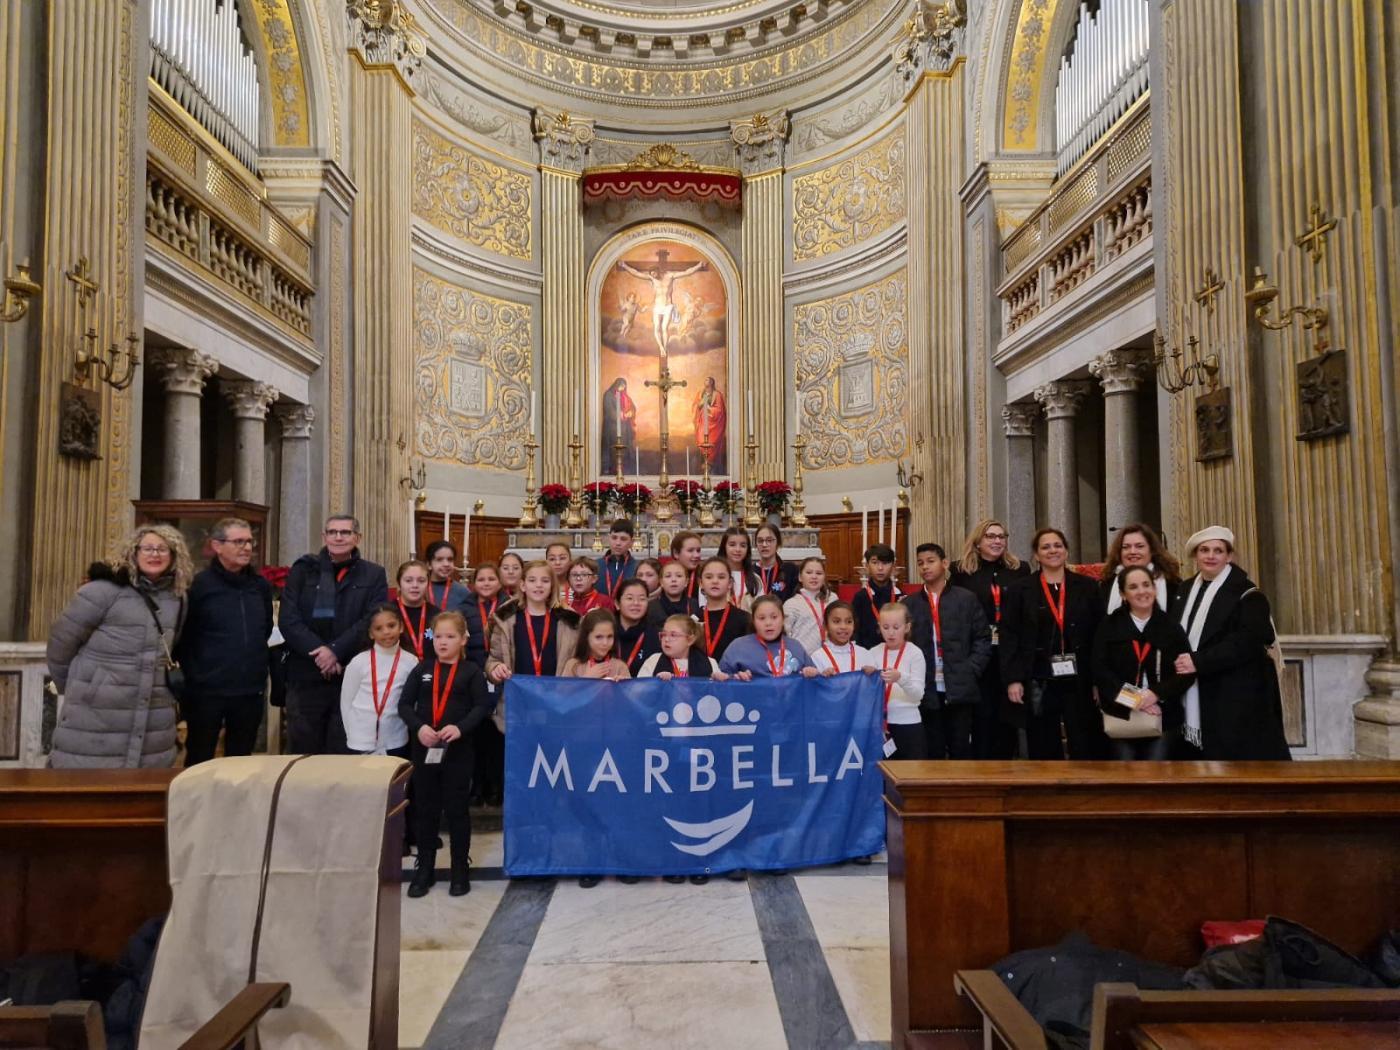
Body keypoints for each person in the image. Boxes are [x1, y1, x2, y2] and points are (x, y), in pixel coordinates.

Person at [48, 525, 193, 768]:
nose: (154, 554)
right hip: (96, 712)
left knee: (140, 795)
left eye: (162, 549)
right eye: (147, 548)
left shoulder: (178, 597)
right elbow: (61, 644)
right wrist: (82, 687)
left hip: (154, 711)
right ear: (134, 553)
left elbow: (172, 644)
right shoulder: (102, 591)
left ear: (174, 556)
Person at [1169, 526, 1291, 760]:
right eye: (1204, 550)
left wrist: (1199, 661)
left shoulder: (1247, 593)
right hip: (1194, 691)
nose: (1211, 556)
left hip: (1235, 697)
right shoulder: (1184, 590)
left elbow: (1248, 642)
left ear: (1229, 556)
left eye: (1218, 550)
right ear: (1195, 556)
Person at [400, 611, 494, 897]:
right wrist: (419, 727)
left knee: (456, 810)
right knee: (426, 809)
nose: (443, 642)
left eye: (450, 637)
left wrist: (460, 728)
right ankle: (424, 867)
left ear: (463, 639)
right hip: (425, 748)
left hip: (458, 751)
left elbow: (482, 707)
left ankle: (458, 869)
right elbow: (405, 705)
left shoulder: (471, 672)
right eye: (438, 636)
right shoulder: (422, 669)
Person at [278, 515, 388, 755]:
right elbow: (288, 619)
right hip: (306, 672)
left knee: (343, 748)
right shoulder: (303, 570)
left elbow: (372, 620)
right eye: (333, 532)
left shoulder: (373, 574)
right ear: (324, 536)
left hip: (349, 672)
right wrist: (321, 653)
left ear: (357, 538)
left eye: (345, 532)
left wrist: (336, 650)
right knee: (303, 748)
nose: (338, 537)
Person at [999, 528, 1102, 760]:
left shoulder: (1088, 587)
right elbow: (1010, 637)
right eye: (1045, 547)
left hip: (1080, 677)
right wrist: (1013, 679)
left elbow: (1098, 634)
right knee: (1042, 743)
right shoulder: (1020, 590)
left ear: (1066, 551)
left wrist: (1098, 680)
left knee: (1084, 740)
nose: (1052, 550)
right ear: (1036, 555)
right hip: (1038, 677)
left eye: (1058, 545)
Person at [178, 517, 273, 765]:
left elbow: (265, 629)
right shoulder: (199, 585)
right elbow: (184, 635)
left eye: (250, 542)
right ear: (217, 546)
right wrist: (197, 674)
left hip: (249, 689)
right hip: (206, 690)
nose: (247, 548)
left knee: (240, 761)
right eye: (238, 541)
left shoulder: (260, 586)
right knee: (200, 758)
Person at [1092, 566, 1194, 760]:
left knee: (1158, 778)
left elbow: (1186, 672)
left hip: (1163, 716)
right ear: (1123, 594)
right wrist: (1136, 699)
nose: (1142, 591)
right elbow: (1101, 671)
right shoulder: (1109, 626)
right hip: (1121, 715)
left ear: (1154, 589)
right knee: (1125, 778)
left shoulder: (1171, 627)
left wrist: (1155, 694)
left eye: (1146, 585)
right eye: (1133, 587)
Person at [902, 543, 993, 759]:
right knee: (932, 749)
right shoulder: (909, 604)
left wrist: (970, 670)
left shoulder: (965, 598)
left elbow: (982, 638)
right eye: (920, 563)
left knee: (960, 748)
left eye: (930, 561)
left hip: (959, 685)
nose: (925, 567)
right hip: (926, 687)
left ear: (944, 563)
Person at [950, 519, 1030, 759]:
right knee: (982, 717)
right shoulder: (960, 571)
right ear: (977, 542)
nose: (997, 541)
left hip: (1009, 652)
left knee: (1008, 714)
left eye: (1001, 536)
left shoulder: (1020, 569)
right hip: (977, 653)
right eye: (990, 536)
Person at [486, 561, 581, 691]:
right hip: (518, 698)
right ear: (523, 585)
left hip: (556, 698)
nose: (538, 585)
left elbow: (578, 661)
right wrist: (495, 669)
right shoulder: (505, 620)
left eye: (545, 581)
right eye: (532, 580)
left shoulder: (568, 621)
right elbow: (494, 659)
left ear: (552, 586)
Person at [340, 604, 414, 757]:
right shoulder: (359, 661)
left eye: (391, 625)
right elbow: (346, 701)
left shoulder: (411, 661)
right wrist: (352, 734)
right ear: (371, 634)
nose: (386, 632)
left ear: (401, 627)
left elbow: (412, 702)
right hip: (360, 741)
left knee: (393, 780)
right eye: (378, 628)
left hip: (396, 739)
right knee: (362, 781)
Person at [465, 562, 505, 808]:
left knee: (498, 736)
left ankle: (497, 786)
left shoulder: (509, 607)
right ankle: (477, 786)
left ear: (499, 582)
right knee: (478, 735)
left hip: (500, 675)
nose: (487, 583)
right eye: (482, 579)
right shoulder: (464, 608)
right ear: (474, 583)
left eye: (492, 579)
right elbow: (436, 632)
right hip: (475, 675)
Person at [875, 603, 927, 760]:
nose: (890, 633)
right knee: (883, 777)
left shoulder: (915, 653)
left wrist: (901, 678)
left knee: (910, 777)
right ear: (879, 627)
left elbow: (918, 695)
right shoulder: (873, 652)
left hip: (909, 724)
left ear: (907, 627)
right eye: (885, 627)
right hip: (880, 725)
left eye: (896, 627)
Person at [719, 595, 811, 679]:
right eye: (762, 618)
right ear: (753, 622)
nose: (768, 623)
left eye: (774, 617)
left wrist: (812, 673)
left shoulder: (796, 646)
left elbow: (815, 679)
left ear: (783, 619)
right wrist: (735, 678)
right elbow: (721, 681)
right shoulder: (737, 647)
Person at [1099, 523, 1181, 613]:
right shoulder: (1107, 583)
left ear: (1152, 550)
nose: (1132, 551)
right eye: (1126, 547)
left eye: (1139, 546)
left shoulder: (1172, 583)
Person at [638, 615, 727, 679]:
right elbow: (639, 691)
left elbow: (718, 697)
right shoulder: (653, 660)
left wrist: (718, 683)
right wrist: (656, 682)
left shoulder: (710, 663)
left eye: (673, 635)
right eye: (664, 634)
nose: (666, 639)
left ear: (690, 640)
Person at [697, 557, 751, 662]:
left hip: (732, 676)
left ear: (730, 583)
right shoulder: (693, 619)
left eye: (721, 577)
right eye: (709, 577)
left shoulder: (744, 619)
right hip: (700, 677)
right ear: (701, 583)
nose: (715, 581)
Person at [783, 557, 836, 655]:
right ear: (800, 577)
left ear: (824, 577)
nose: (814, 577)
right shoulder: (791, 604)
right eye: (809, 572)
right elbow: (786, 635)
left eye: (819, 573)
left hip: (829, 655)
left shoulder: (832, 599)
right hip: (803, 656)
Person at [809, 601, 876, 677]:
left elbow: (874, 685)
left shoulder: (864, 654)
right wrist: (822, 678)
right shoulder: (817, 657)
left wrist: (872, 675)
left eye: (849, 621)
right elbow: (814, 686)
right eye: (836, 621)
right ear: (826, 625)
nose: (843, 626)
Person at [852, 543, 898, 649]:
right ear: (867, 566)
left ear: (893, 566)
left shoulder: (901, 596)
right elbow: (855, 631)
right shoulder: (860, 597)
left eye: (885, 563)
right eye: (875, 563)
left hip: (897, 653)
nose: (880, 568)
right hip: (867, 654)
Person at [563, 610, 632, 680]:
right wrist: (587, 678)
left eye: (609, 636)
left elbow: (631, 690)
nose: (605, 643)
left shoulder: (620, 667)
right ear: (586, 637)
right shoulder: (573, 666)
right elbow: (563, 690)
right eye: (599, 637)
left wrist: (624, 686)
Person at [394, 559, 439, 664]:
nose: (415, 585)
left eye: (421, 580)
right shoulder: (386, 613)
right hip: (396, 672)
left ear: (428, 583)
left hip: (430, 672)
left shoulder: (437, 615)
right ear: (399, 583)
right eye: (408, 580)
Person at [614, 579, 660, 676]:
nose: (636, 603)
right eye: (629, 598)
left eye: (642, 599)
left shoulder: (655, 635)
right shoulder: (606, 631)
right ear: (617, 604)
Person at [647, 559, 701, 627]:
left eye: (679, 576)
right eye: (668, 576)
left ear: (686, 582)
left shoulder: (694, 605)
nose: (673, 580)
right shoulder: (651, 607)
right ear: (661, 582)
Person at [753, 523, 800, 597]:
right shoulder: (751, 572)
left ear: (778, 543)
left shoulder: (790, 570)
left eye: (769, 540)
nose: (764, 545)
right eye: (760, 541)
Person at [424, 540, 470, 614]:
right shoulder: (421, 589)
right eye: (439, 559)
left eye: (450, 559)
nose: (446, 564)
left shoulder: (462, 592)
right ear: (429, 565)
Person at [719, 526, 758, 609]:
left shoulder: (755, 579)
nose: (738, 549)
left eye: (743, 546)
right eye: (732, 545)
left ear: (748, 549)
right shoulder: (712, 576)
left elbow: (762, 609)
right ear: (724, 547)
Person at [600, 519, 638, 596]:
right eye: (614, 538)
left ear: (632, 542)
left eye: (623, 539)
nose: (618, 543)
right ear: (609, 538)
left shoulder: (637, 567)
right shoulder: (595, 565)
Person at [669, 531, 704, 600]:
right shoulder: (666, 576)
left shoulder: (704, 575)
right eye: (690, 550)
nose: (696, 555)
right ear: (676, 553)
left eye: (698, 550)